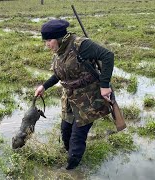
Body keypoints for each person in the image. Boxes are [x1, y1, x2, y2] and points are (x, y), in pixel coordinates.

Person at [34, 19, 115, 170]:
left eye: (49, 40)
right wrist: (44, 86)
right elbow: (60, 74)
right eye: (45, 41)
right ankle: (70, 157)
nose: (47, 44)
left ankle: (71, 170)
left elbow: (108, 56)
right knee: (65, 132)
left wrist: (104, 86)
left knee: (77, 137)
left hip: (88, 98)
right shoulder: (59, 51)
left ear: (59, 38)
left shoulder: (81, 45)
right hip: (70, 99)